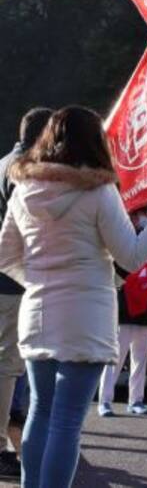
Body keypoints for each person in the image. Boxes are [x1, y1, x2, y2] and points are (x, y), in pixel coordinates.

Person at [0, 106, 147, 488]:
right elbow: (132, 256)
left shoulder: (24, 191)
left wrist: (38, 279)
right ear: (95, 141)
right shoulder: (100, 192)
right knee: (68, 422)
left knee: (40, 411)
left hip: (36, 312)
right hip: (86, 314)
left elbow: (5, 256)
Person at [0, 107, 51, 480]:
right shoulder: (22, 169)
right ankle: (1, 446)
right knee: (8, 366)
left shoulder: (4, 162)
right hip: (11, 281)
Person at [97, 205, 147, 417]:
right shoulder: (121, 241)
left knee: (140, 361)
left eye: (146, 214)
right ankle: (105, 401)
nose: (142, 218)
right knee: (113, 359)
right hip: (123, 311)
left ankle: (136, 401)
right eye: (138, 214)